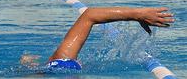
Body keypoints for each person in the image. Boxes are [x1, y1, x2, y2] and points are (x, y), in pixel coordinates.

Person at [20, 7, 174, 72]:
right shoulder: (60, 62)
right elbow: (90, 15)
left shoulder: (60, 62)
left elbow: (89, 15)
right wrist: (137, 14)